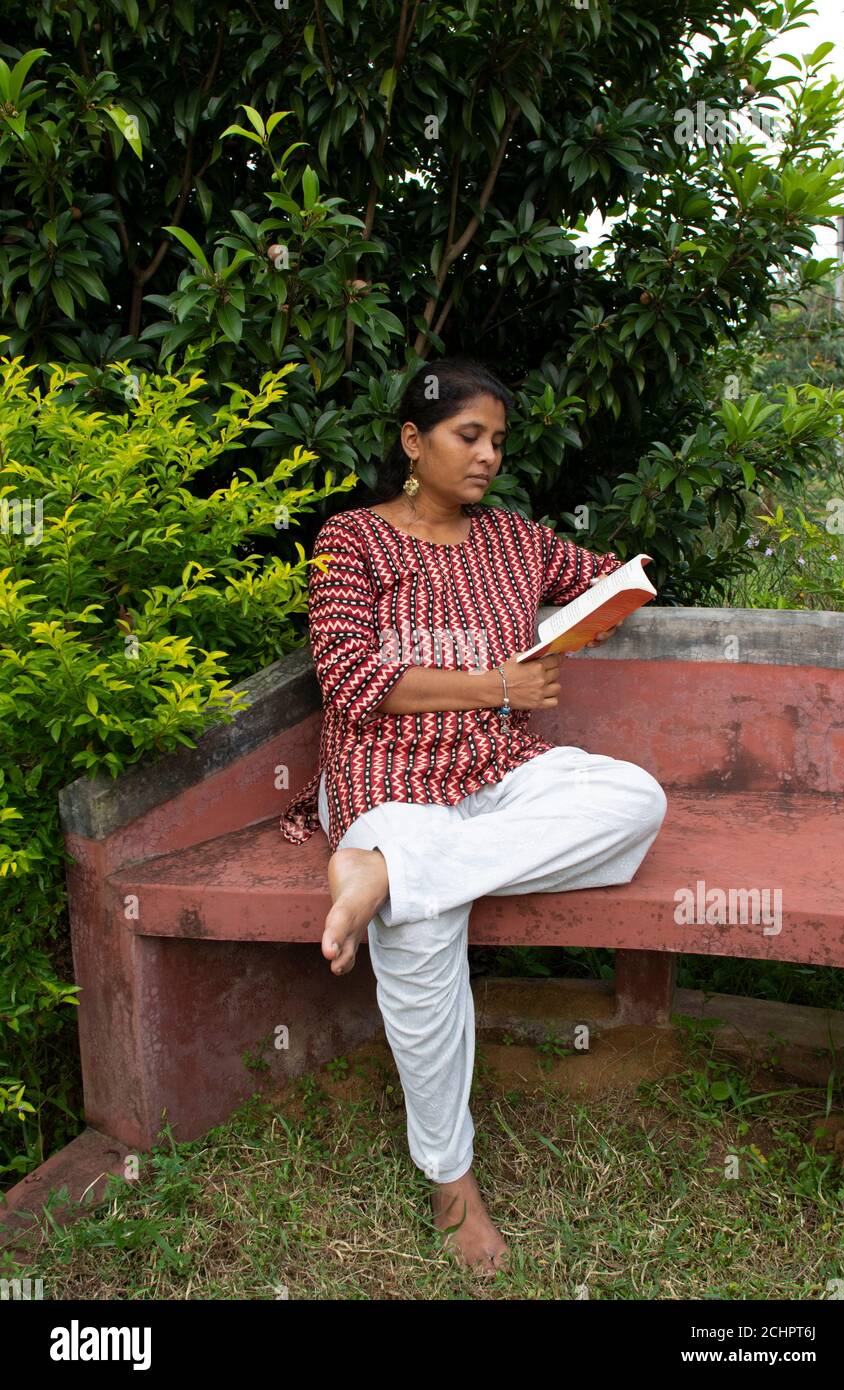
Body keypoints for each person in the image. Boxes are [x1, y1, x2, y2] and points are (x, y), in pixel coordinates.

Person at [279, 356, 667, 1277]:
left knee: (635, 801)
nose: (489, 455)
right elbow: (352, 681)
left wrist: (619, 589)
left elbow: (606, 579)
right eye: (469, 436)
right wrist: (498, 681)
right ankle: (451, 1180)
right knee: (421, 928)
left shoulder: (515, 541)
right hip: (390, 777)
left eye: (498, 440)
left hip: (501, 773)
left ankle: (388, 872)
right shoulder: (352, 543)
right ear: (413, 443)